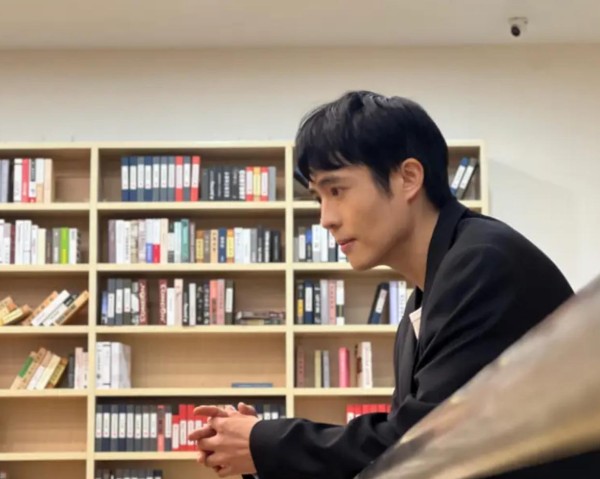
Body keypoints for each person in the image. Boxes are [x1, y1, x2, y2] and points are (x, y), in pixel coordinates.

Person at [187, 90, 575, 479]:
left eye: (336, 191)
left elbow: (422, 444)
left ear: (408, 178)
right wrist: (257, 448)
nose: (325, 219)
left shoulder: (482, 263)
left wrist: (264, 443)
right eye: (318, 198)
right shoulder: (424, 301)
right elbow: (396, 456)